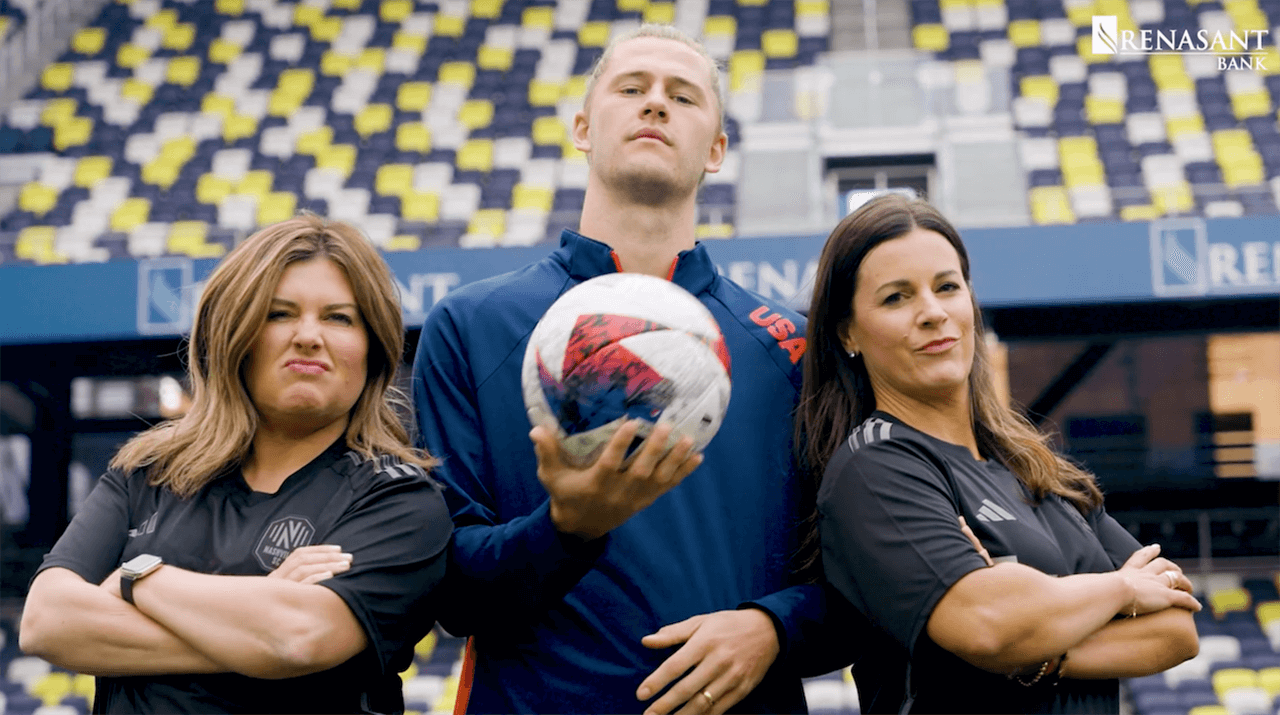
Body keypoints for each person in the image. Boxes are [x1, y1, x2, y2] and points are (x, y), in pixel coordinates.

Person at [412, 23, 855, 715]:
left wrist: (775, 626)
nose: (655, 104)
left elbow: (859, 582)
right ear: (584, 127)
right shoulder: (472, 325)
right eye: (632, 88)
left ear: (716, 149)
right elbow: (449, 590)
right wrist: (565, 528)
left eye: (682, 95)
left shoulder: (794, 346)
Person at [20, 215, 452, 715]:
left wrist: (134, 579)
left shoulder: (400, 501)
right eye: (279, 313)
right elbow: (47, 620)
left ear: (372, 350)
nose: (309, 336)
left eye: (339, 318)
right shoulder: (148, 473)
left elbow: (297, 637)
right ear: (235, 336)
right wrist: (256, 615)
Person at [797, 193, 1201, 714]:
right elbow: (988, 624)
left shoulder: (1036, 468)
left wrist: (1037, 645)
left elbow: (1176, 627)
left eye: (947, 287)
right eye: (897, 298)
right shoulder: (875, 469)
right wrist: (1121, 589)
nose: (933, 313)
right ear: (847, 331)